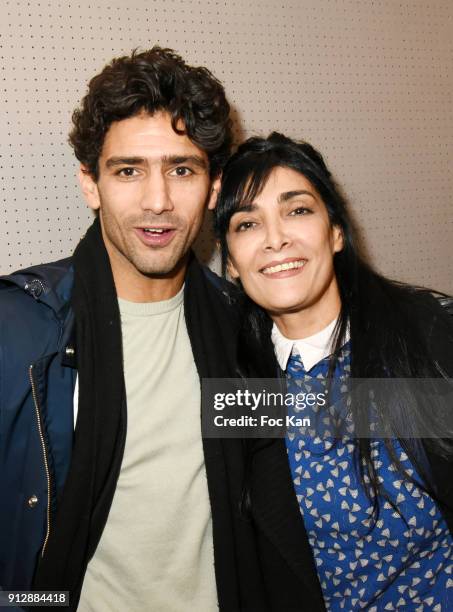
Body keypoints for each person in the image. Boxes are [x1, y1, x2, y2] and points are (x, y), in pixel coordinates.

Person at [0, 46, 259, 612]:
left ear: (213, 189)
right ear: (90, 184)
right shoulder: (18, 331)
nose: (158, 202)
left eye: (182, 169)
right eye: (128, 171)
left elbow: (332, 419)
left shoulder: (240, 328)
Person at [214, 132, 453, 611]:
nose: (275, 238)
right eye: (247, 224)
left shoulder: (428, 339)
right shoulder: (236, 381)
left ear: (336, 232)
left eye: (297, 210)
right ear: (232, 263)